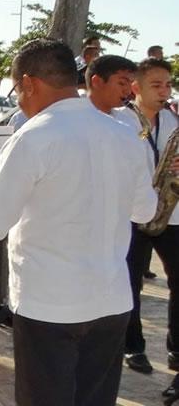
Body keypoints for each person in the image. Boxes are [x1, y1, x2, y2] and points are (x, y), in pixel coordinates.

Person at [0, 38, 156, 405]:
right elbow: (144, 212)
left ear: (30, 83)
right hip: (112, 301)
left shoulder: (34, 137)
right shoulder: (125, 134)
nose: (19, 99)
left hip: (50, 305)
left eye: (17, 89)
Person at [114, 58, 179, 376]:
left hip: (170, 214)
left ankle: (176, 349)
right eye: (156, 85)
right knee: (129, 284)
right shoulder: (119, 121)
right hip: (131, 213)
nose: (164, 91)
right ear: (136, 87)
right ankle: (133, 347)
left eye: (167, 84)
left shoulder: (172, 120)